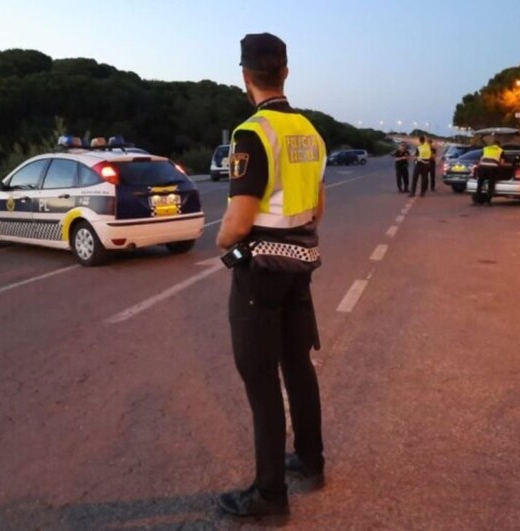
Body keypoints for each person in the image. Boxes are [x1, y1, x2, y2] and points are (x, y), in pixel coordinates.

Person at [215, 32, 326, 519]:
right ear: (285, 71)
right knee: (297, 366)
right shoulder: (311, 131)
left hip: (259, 271)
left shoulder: (251, 133)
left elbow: (238, 222)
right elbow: (318, 208)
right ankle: (310, 460)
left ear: (244, 76)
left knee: (260, 381)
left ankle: (269, 496)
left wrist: (221, 241)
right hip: (299, 267)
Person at [476, 138, 505, 206]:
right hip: (492, 168)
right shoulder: (500, 150)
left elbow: (481, 159)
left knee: (479, 184)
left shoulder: (485, 148)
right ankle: (487, 201)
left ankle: (477, 200)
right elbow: (502, 163)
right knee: (491, 184)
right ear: (499, 145)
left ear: (492, 144)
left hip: (482, 167)